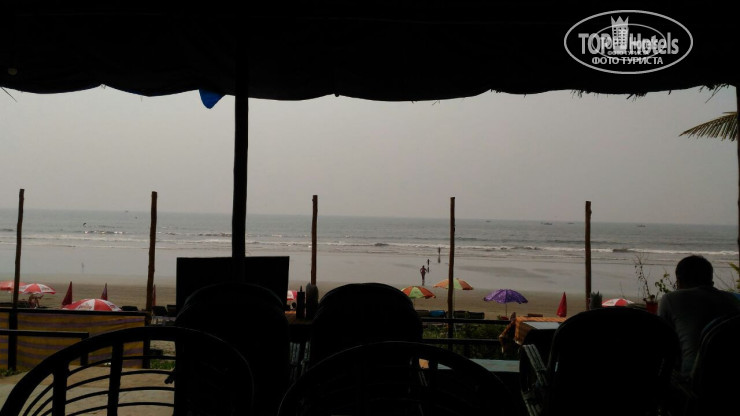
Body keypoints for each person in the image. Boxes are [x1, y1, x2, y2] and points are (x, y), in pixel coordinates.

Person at [658, 255, 740, 379]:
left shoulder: (672, 299)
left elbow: (664, 342)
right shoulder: (732, 300)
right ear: (710, 279)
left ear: (679, 280)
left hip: (692, 381)